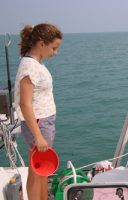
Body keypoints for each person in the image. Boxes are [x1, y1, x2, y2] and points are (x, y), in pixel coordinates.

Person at [14, 23, 63, 200]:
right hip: (38, 123)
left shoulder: (33, 63)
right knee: (37, 172)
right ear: (41, 44)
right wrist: (39, 136)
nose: (55, 52)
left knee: (42, 170)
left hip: (43, 122)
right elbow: (25, 104)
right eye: (54, 48)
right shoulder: (30, 66)